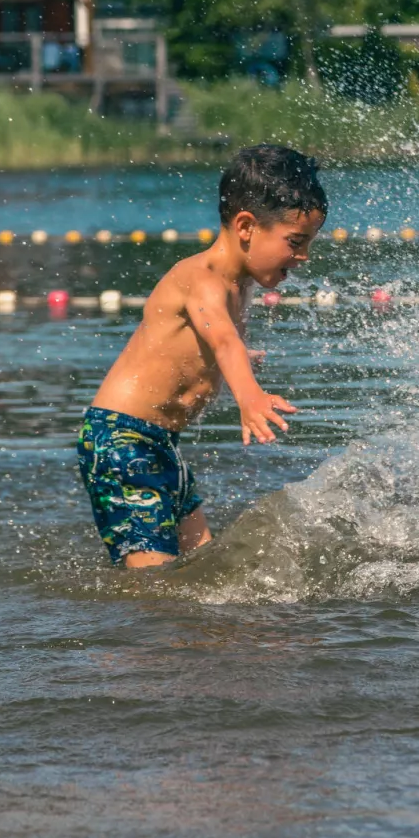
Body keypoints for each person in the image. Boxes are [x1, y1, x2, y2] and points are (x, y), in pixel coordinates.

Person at [76, 144, 326, 567]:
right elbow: (224, 342)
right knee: (155, 584)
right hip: (120, 439)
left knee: (201, 567)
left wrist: (241, 360)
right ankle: (144, 634)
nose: (302, 257)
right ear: (246, 226)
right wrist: (250, 397)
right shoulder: (200, 278)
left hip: (159, 443)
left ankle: (203, 635)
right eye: (295, 242)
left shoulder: (238, 286)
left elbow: (221, 345)